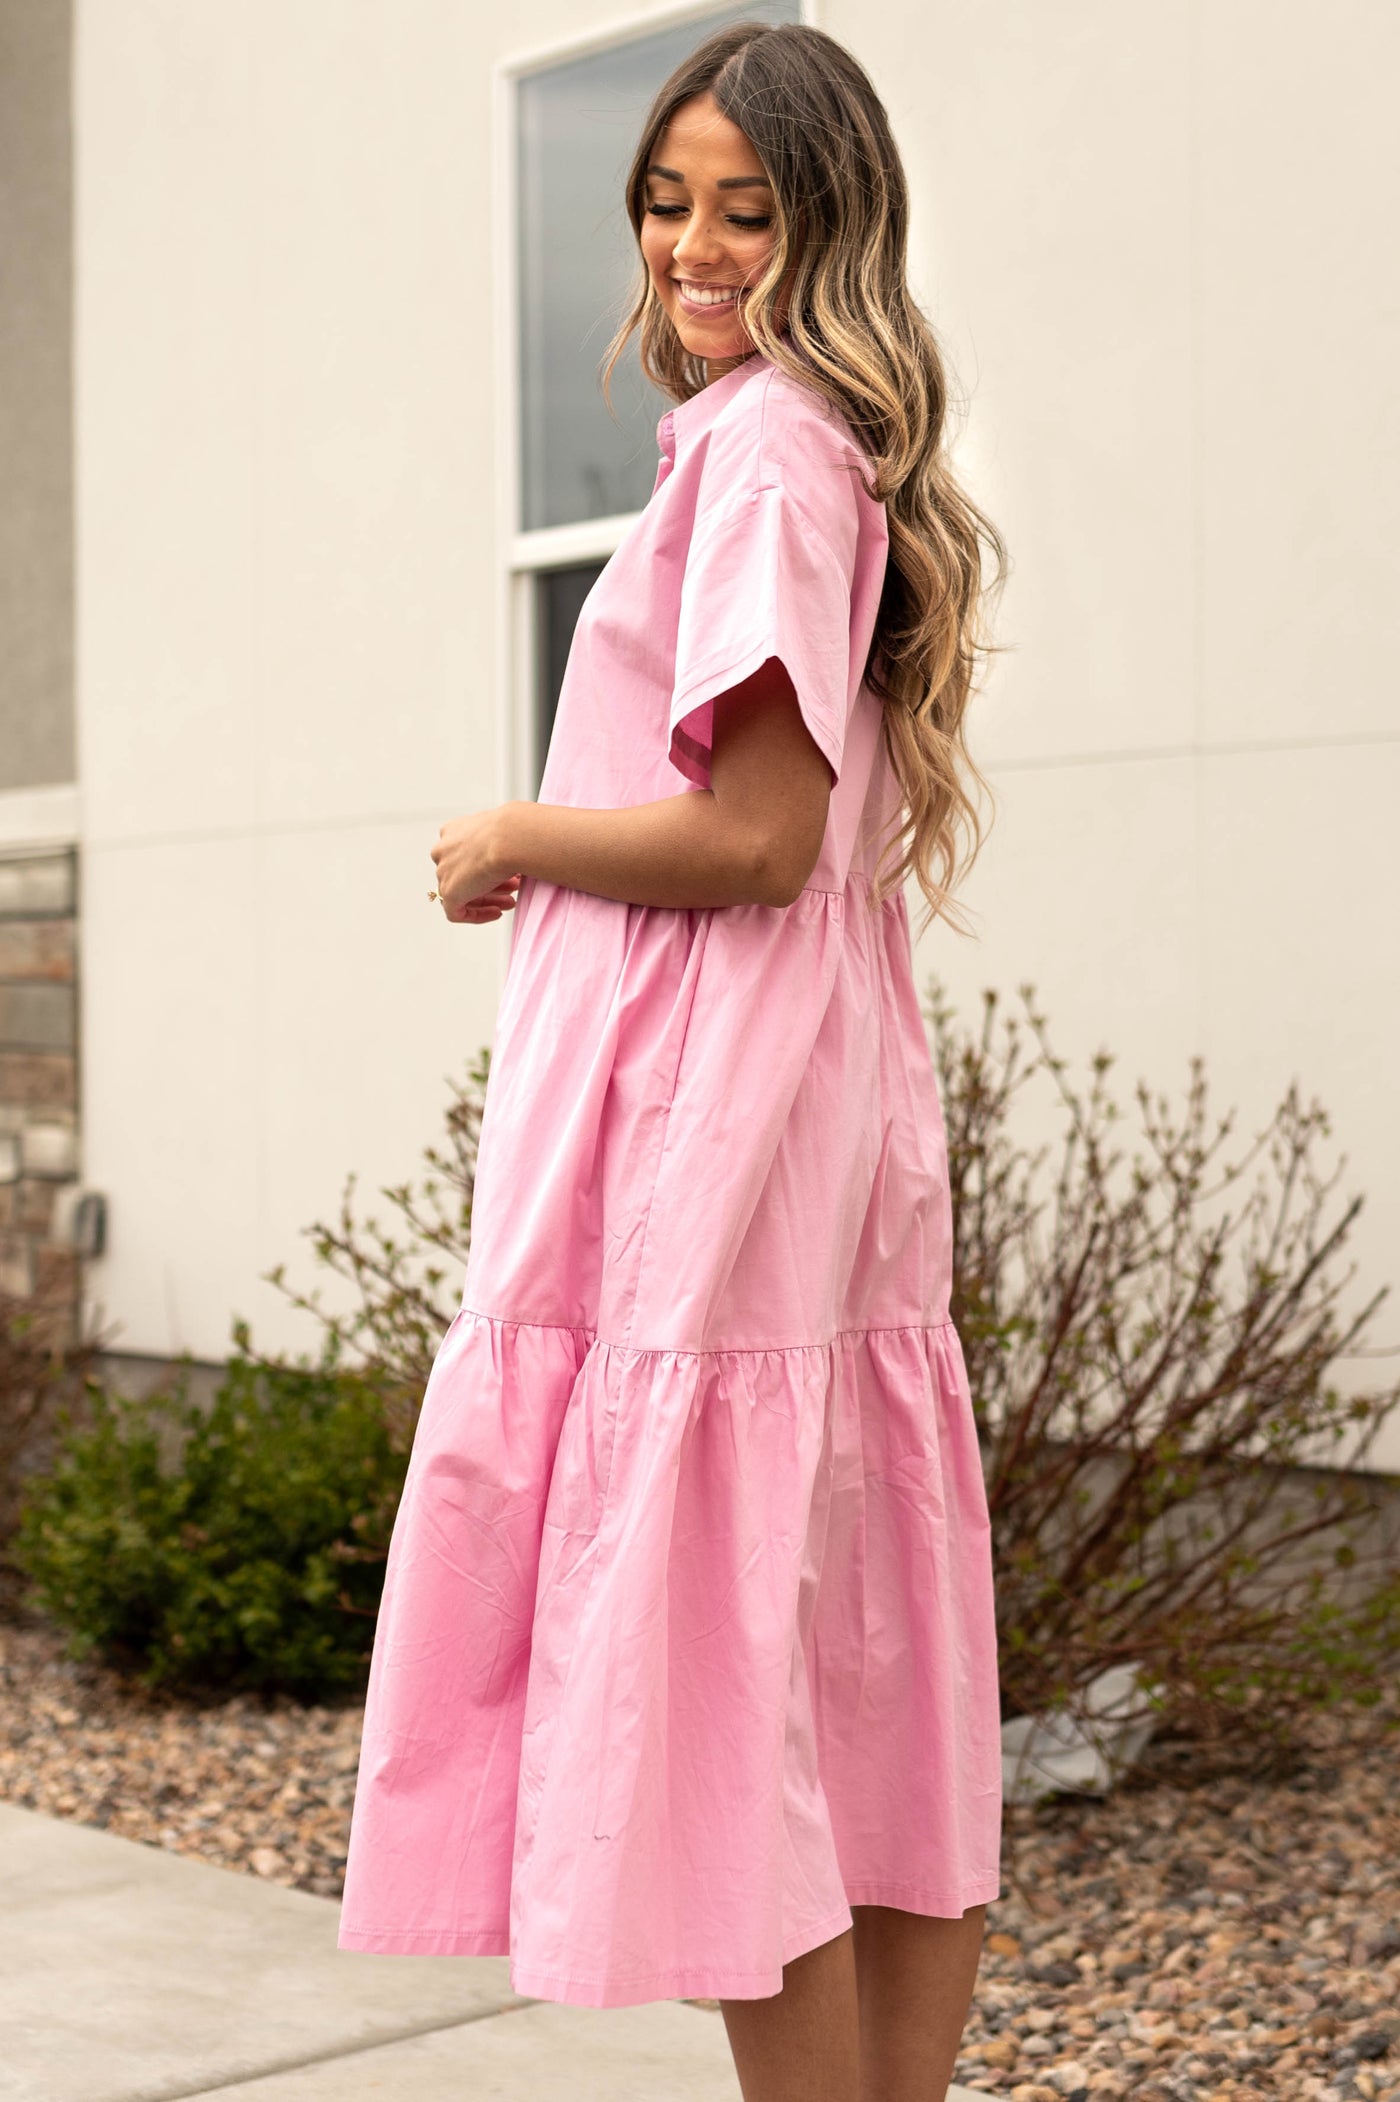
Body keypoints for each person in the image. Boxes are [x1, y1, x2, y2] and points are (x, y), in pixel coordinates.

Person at [338, 21, 1006, 2101]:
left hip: (719, 1140)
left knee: (742, 1718)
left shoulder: (761, 455)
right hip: (800, 1115)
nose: (696, 244)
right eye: (666, 200)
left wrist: (512, 834)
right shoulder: (801, 446)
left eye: (747, 205)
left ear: (826, 222)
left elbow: (754, 833)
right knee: (847, 1675)